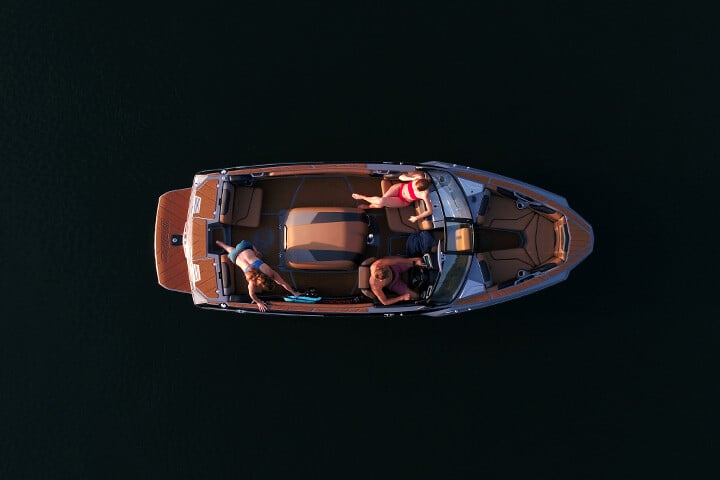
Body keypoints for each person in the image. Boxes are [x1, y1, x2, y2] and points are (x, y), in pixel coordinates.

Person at [216, 240, 300, 312]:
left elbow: (282, 283)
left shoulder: (269, 272)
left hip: (243, 246)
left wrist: (294, 293)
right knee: (229, 248)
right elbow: (252, 294)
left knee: (257, 254)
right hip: (235, 256)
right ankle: (220, 243)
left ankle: (219, 243)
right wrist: (258, 302)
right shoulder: (252, 281)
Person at [351, 172, 433, 223]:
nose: (413, 187)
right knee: (381, 202)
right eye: (414, 184)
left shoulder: (424, 194)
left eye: (416, 189)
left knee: (381, 201)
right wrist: (412, 178)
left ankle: (363, 199)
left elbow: (430, 211)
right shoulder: (418, 177)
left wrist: (416, 217)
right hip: (399, 188)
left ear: (423, 190)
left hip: (403, 200)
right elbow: (401, 177)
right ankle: (368, 204)